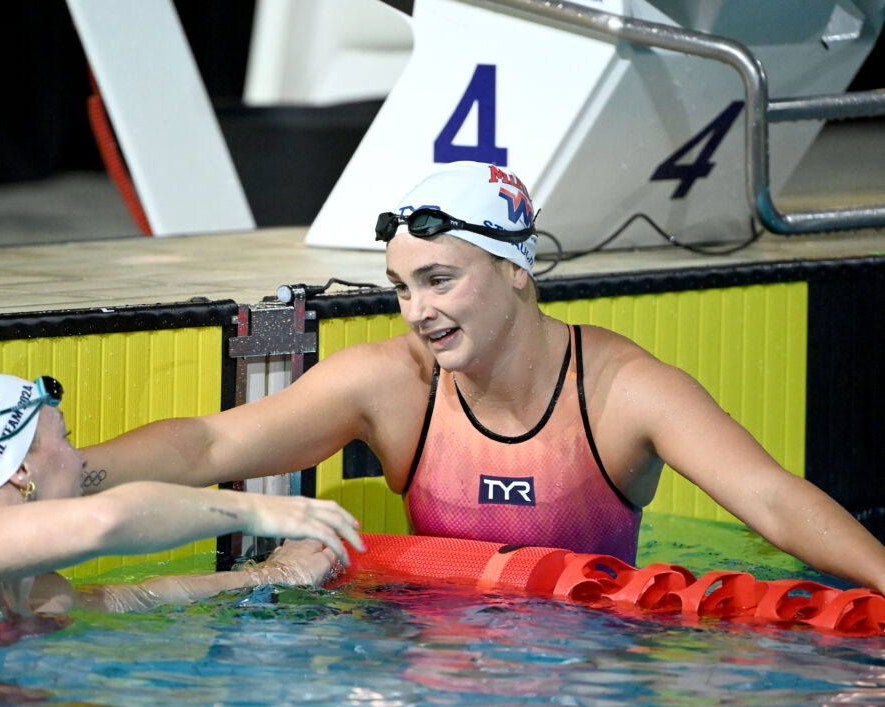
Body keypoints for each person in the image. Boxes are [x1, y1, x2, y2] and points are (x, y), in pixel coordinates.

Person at [79, 160, 885, 594]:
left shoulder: (622, 392)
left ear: (515, 273)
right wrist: (65, 474)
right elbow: (209, 443)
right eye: (402, 288)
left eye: (440, 279)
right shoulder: (394, 384)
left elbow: (776, 500)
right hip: (431, 676)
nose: (417, 311)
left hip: (591, 685)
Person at [0, 370, 364, 648]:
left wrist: (270, 576)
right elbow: (110, 518)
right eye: (65, 440)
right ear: (20, 470)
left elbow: (133, 597)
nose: (77, 457)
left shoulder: (29, 589)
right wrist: (259, 511)